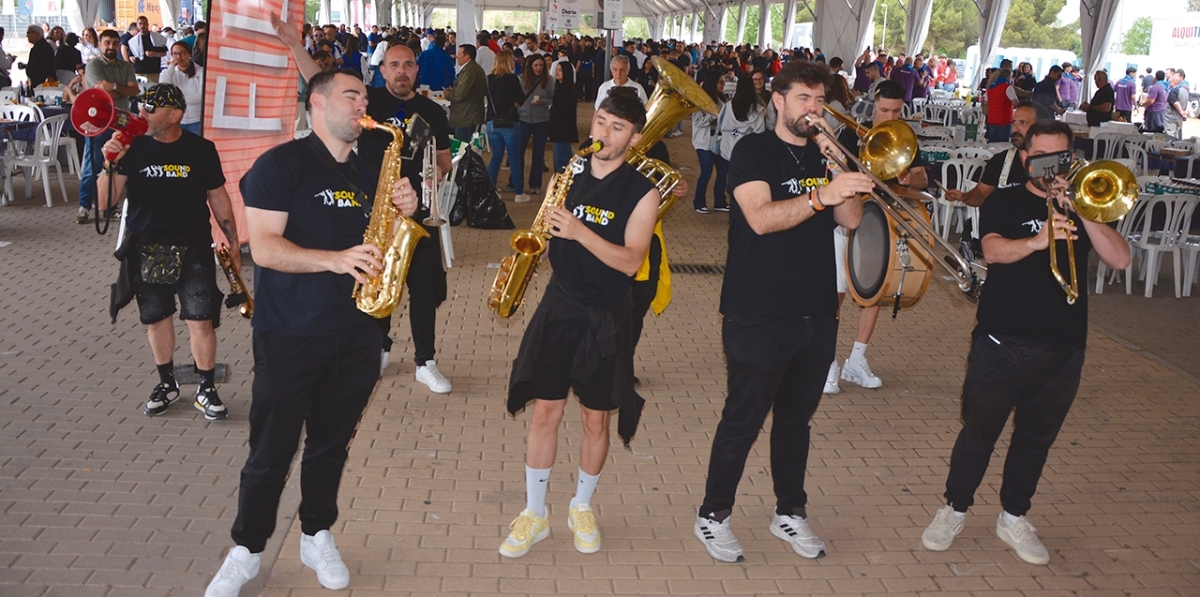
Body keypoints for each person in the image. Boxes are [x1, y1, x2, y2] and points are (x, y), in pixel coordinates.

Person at [203, 69, 421, 597]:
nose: (362, 104)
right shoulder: (280, 166)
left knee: (330, 445)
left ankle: (316, 533)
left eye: (363, 97)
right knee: (271, 450)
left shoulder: (373, 169)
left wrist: (408, 211)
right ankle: (247, 549)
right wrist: (335, 260)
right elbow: (266, 248)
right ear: (317, 104)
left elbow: (386, 245)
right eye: (352, 96)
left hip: (358, 333)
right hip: (290, 333)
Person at [920, 120, 1131, 566]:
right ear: (1024, 157)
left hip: (1065, 346)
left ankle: (1014, 516)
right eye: (1042, 158)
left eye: (1062, 158)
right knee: (979, 433)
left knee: (1035, 439)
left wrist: (1083, 212)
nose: (1051, 167)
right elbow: (992, 251)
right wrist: (1040, 239)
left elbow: (1120, 257)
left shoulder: (1084, 204)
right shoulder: (1004, 200)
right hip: (1001, 342)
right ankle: (954, 507)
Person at [694, 60, 873, 564]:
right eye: (804, 100)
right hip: (757, 308)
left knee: (797, 420)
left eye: (820, 101)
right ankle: (712, 515)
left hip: (816, 309)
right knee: (743, 418)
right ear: (778, 100)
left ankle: (788, 511)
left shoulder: (829, 153)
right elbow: (759, 218)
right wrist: (821, 195)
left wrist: (843, 168)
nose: (814, 110)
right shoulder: (753, 151)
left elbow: (852, 218)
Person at [500, 91, 660, 559]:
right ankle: (535, 514)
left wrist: (578, 231)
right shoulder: (567, 174)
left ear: (634, 137)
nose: (604, 134)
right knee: (544, 412)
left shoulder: (642, 192)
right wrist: (531, 253)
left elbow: (631, 261)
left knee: (595, 419)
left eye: (617, 128)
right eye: (602, 122)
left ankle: (581, 507)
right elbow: (550, 237)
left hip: (607, 315)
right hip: (559, 307)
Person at [275, 15, 454, 394]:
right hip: (371, 213)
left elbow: (443, 160)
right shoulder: (367, 102)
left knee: (423, 289)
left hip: (415, 213)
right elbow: (321, 86)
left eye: (408, 64)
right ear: (382, 69)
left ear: (416, 68)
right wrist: (295, 46)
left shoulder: (434, 111)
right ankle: (380, 348)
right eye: (394, 65)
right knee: (376, 283)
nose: (401, 71)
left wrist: (436, 173)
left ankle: (426, 361)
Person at [96, 84, 237, 422]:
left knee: (200, 320)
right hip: (146, 247)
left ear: (175, 115)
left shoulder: (201, 149)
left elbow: (217, 196)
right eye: (143, 107)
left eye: (152, 109)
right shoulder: (133, 148)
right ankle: (166, 383)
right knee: (157, 318)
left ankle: (206, 387)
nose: (143, 114)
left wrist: (231, 240)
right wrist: (109, 163)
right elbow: (104, 203)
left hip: (194, 246)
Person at [825, 80, 928, 393]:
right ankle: (827, 363)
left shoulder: (904, 138)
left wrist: (910, 175)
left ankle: (857, 359)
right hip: (847, 222)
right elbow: (833, 173)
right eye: (884, 110)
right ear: (873, 107)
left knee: (876, 291)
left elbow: (923, 176)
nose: (890, 116)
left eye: (896, 111)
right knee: (836, 295)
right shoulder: (849, 133)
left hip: (882, 223)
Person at [79, 29, 140, 225]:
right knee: (93, 165)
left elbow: (134, 90)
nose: (111, 47)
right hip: (97, 124)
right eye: (107, 43)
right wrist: (121, 90)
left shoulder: (126, 66)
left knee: (116, 164)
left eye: (115, 43)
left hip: (121, 123)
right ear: (100, 44)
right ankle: (85, 206)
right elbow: (99, 97)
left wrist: (112, 87)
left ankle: (110, 208)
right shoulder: (93, 65)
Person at [485, 49, 527, 201]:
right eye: (512, 60)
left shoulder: (489, 79)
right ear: (507, 61)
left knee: (496, 156)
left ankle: (490, 189)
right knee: (514, 157)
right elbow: (521, 99)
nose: (513, 62)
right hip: (509, 122)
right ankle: (519, 192)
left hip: (491, 122)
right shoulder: (512, 79)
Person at [517, 55, 555, 195]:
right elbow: (517, 97)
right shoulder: (522, 79)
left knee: (538, 154)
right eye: (536, 65)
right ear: (530, 66)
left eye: (541, 65)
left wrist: (543, 102)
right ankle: (517, 182)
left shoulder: (549, 81)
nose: (539, 68)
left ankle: (535, 185)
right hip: (523, 119)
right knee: (519, 152)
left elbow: (553, 98)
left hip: (542, 120)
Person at [692, 71, 728, 213]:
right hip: (703, 143)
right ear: (713, 83)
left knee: (723, 172)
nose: (723, 84)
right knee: (706, 172)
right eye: (720, 81)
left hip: (718, 142)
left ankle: (720, 201)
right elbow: (697, 121)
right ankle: (699, 202)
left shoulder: (721, 100)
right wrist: (713, 116)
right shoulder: (701, 100)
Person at [717, 75, 765, 166]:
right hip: (745, 154)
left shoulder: (727, 106)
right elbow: (759, 133)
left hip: (726, 150)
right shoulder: (757, 110)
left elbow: (720, 122)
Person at [160, 41, 205, 135]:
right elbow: (164, 91)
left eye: (182, 53)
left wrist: (175, 99)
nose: (179, 57)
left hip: (196, 120)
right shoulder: (166, 73)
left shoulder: (201, 71)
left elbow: (201, 96)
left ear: (189, 54)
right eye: (175, 54)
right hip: (174, 120)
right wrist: (171, 66)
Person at [445, 43, 486, 142]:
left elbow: (459, 95)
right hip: (467, 114)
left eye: (459, 54)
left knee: (463, 148)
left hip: (466, 117)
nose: (457, 56)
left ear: (467, 57)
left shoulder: (470, 71)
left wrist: (448, 95)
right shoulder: (472, 69)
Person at [548, 61, 579, 173]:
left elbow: (562, 109)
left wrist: (551, 108)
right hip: (562, 129)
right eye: (557, 69)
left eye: (560, 70)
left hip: (562, 128)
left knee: (561, 159)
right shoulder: (562, 87)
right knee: (564, 155)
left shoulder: (566, 89)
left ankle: (561, 182)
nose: (557, 72)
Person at [127, 15, 169, 83]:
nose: (142, 26)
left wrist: (155, 54)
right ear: (137, 25)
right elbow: (130, 55)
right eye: (140, 24)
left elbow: (164, 53)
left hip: (153, 71)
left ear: (147, 24)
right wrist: (131, 58)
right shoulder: (133, 41)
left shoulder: (157, 38)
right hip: (138, 71)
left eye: (144, 23)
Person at [986, 68, 1018, 143]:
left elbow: (985, 102)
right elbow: (1015, 102)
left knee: (992, 142)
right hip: (1004, 119)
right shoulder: (1008, 87)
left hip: (992, 118)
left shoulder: (990, 87)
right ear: (1008, 77)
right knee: (1003, 144)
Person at [1165, 70, 1190, 139]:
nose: (1169, 84)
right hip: (1179, 119)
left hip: (1171, 118)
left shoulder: (1174, 91)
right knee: (1176, 136)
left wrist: (1181, 112)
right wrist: (1185, 112)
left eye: (1170, 82)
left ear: (1173, 82)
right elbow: (1188, 101)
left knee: (1169, 136)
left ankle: (1170, 149)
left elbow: (1175, 102)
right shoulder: (1185, 90)